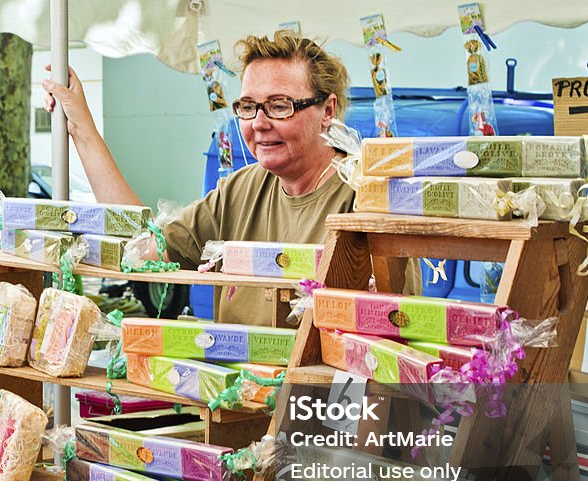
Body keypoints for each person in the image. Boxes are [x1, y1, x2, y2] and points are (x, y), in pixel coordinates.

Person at [44, 30, 373, 326]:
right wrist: (81, 126)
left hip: (320, 394)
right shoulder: (239, 191)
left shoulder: (367, 198)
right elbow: (144, 249)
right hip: (237, 390)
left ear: (327, 111)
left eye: (279, 105)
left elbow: (386, 336)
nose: (258, 122)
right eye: (248, 106)